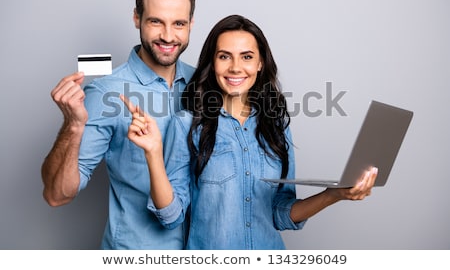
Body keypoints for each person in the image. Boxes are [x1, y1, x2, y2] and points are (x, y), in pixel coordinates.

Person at [122, 14, 378, 249]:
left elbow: (281, 213)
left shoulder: (275, 125)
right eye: (224, 56)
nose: (235, 67)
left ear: (260, 64)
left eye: (246, 57)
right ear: (212, 63)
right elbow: (171, 216)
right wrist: (154, 154)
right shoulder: (187, 124)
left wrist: (333, 194)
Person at [41, 0, 196, 249]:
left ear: (191, 24)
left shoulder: (205, 84)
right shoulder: (106, 93)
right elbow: (57, 195)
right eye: (155, 22)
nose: (168, 35)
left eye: (179, 24)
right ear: (136, 18)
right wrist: (73, 127)